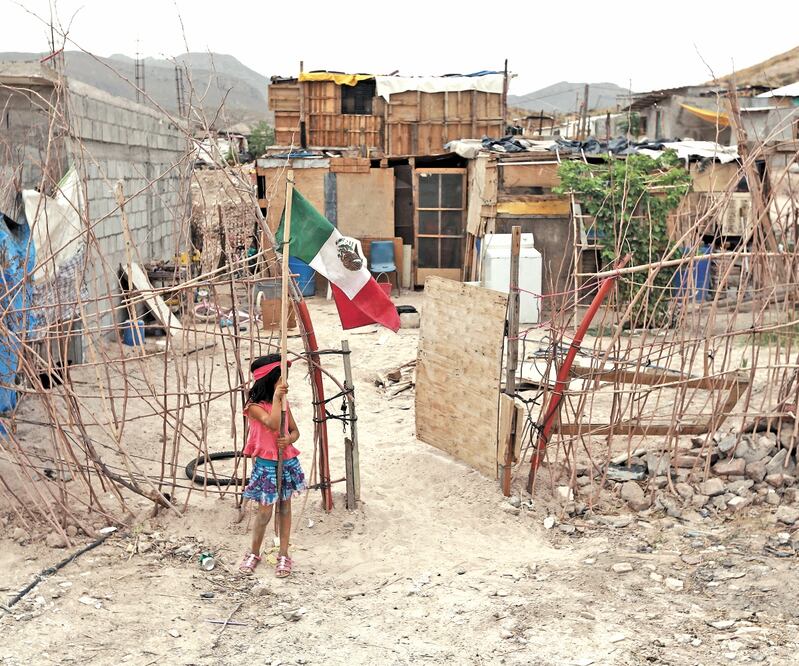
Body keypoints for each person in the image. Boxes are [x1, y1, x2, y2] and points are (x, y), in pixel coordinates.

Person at [239, 354, 306, 577]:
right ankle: (254, 552)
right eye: (281, 378)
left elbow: (293, 431)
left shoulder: (284, 405)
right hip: (267, 466)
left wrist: (289, 439)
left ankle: (284, 554)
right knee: (264, 513)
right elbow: (273, 423)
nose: (285, 383)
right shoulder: (254, 407)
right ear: (270, 380)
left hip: (286, 462)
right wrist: (277, 399)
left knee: (285, 508)